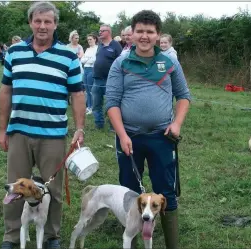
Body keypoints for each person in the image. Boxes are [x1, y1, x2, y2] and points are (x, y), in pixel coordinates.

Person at [0, 2, 85, 249]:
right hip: (19, 132)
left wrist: (80, 128)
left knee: (53, 190)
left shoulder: (68, 55)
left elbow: (78, 94)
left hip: (53, 135)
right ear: (30, 23)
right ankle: (13, 236)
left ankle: (50, 236)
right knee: (16, 187)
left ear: (55, 24)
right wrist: (2, 130)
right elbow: (6, 91)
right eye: (38, 21)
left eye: (48, 21)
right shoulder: (14, 52)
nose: (42, 26)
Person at [105, 10, 191, 249]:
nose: (144, 36)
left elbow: (184, 96)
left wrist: (177, 124)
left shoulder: (170, 62)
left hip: (162, 137)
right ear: (131, 34)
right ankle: (130, 239)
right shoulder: (120, 63)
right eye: (139, 31)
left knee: (166, 190)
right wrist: (122, 135)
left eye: (149, 32)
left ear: (158, 35)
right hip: (128, 137)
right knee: (130, 190)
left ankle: (171, 243)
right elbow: (111, 102)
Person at [92, 24, 122, 129]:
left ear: (108, 32)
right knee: (96, 104)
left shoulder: (116, 45)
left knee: (112, 104)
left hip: (110, 80)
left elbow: (120, 62)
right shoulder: (100, 45)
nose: (99, 32)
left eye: (102, 31)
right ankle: (99, 124)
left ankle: (113, 126)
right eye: (99, 30)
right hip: (97, 79)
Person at [80, 33, 98, 115]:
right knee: (86, 90)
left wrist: (87, 59)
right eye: (88, 40)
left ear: (95, 39)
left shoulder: (97, 48)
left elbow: (94, 60)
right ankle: (88, 106)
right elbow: (82, 60)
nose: (89, 41)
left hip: (92, 69)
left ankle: (92, 107)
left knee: (91, 90)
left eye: (90, 39)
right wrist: (87, 59)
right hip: (85, 69)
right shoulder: (87, 49)